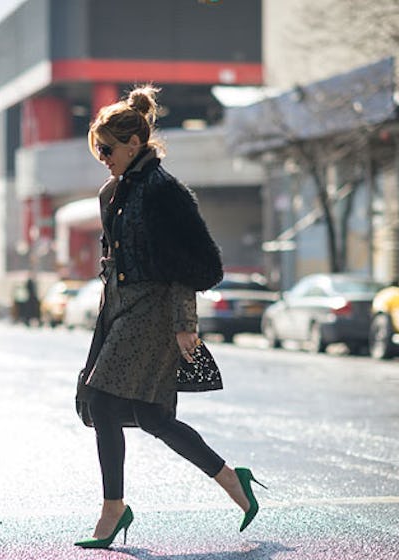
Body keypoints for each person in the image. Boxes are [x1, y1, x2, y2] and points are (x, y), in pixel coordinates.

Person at [74, 85, 266, 549]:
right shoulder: (111, 194)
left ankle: (113, 507)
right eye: (97, 149)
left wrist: (186, 325)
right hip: (119, 310)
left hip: (157, 311)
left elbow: (191, 266)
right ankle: (232, 479)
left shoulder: (165, 192)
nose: (102, 157)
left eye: (108, 148)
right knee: (152, 416)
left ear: (134, 144)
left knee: (102, 399)